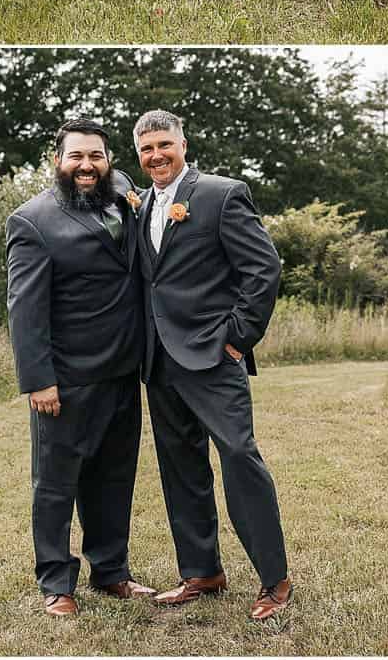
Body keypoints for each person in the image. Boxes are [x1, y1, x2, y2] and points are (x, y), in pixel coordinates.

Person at [132, 110, 292, 622]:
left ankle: (274, 578)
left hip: (213, 354)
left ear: (183, 143)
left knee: (240, 459)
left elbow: (263, 269)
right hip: (159, 360)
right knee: (181, 470)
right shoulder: (138, 206)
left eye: (164, 144)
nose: (156, 155)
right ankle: (201, 571)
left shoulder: (222, 194)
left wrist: (236, 340)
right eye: (146, 149)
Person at [5, 118, 151, 617]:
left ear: (109, 161)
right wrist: (38, 379)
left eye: (96, 157)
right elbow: (25, 310)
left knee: (113, 479)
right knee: (55, 484)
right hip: (64, 381)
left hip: (122, 373)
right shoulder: (32, 220)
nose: (87, 166)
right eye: (76, 157)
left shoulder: (124, 194)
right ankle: (56, 583)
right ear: (58, 162)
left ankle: (111, 573)